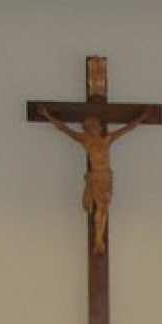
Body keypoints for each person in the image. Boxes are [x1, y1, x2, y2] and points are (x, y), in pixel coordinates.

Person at [39, 109, 151, 254]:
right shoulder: (85, 141)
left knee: (103, 209)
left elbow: (128, 128)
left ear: (99, 127)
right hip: (96, 178)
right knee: (100, 209)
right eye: (90, 126)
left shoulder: (107, 139)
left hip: (106, 178)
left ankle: (98, 239)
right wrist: (47, 115)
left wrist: (142, 117)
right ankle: (98, 240)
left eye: (95, 125)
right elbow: (63, 128)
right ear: (87, 128)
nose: (94, 128)